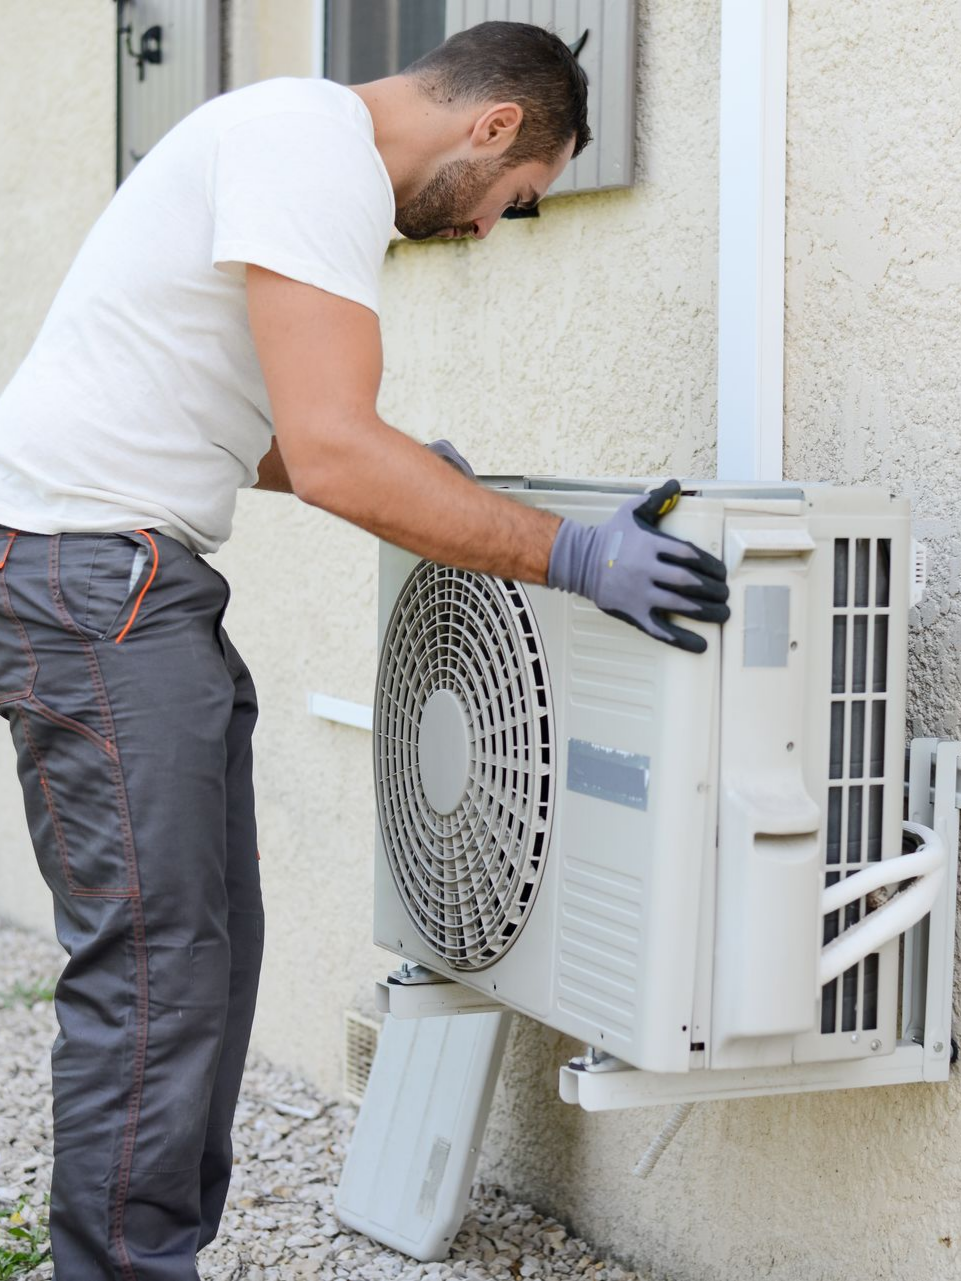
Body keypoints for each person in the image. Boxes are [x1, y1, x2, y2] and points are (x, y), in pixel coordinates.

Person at [0, 21, 729, 1281]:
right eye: (518, 201)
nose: (493, 228)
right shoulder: (308, 145)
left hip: (123, 579)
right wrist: (572, 554)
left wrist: (416, 479)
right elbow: (337, 452)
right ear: (494, 127)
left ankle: (148, 1253)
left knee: (208, 956)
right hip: (92, 586)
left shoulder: (287, 145)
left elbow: (265, 431)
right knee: (161, 972)